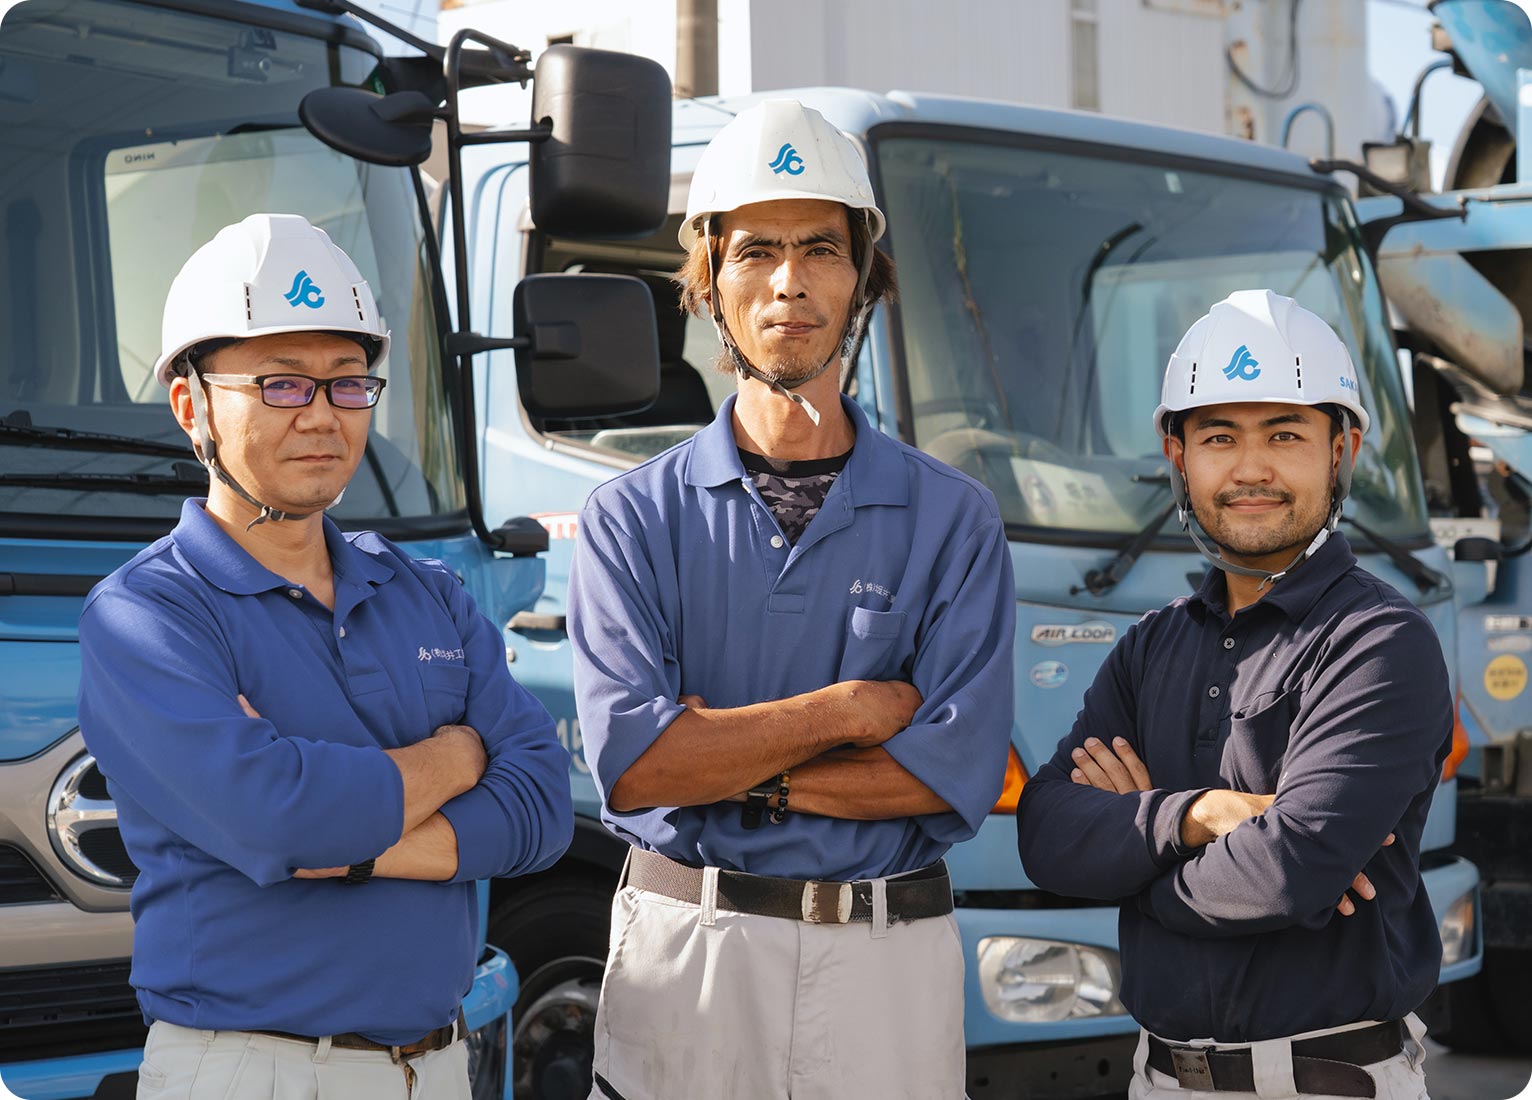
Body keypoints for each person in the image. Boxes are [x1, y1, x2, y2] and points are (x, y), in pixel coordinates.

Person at [567, 99, 1016, 1100]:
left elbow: (956, 773)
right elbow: (637, 768)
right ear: (710, 279)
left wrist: (726, 761)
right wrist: (849, 710)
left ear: (863, 277)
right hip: (689, 950)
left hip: (884, 961)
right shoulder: (630, 517)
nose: (788, 281)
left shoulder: (953, 518)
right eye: (756, 251)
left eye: (820, 248)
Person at [77, 213, 572, 1100]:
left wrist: (360, 846)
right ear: (192, 407)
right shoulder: (146, 615)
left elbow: (541, 806)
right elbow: (282, 818)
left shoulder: (426, 591)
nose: (321, 416)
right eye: (281, 384)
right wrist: (460, 755)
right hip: (252, 1071)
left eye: (347, 383)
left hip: (437, 1066)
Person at [1017, 290, 1447, 1100]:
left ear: (1342, 450)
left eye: (1284, 435)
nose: (1251, 469)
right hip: (1158, 1079)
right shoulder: (1152, 645)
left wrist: (1132, 865)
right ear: (1179, 457)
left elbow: (1284, 874)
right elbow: (1044, 837)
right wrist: (1197, 816)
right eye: (1219, 437)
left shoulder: (1378, 642)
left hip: (1325, 1082)